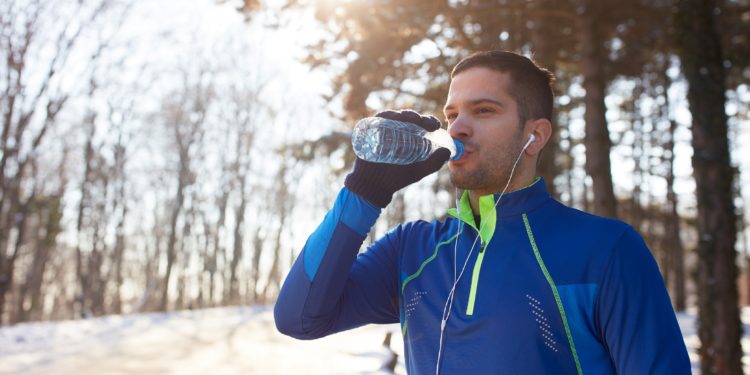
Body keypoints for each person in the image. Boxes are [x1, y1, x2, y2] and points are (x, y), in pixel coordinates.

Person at [274, 50, 691, 374]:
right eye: (452, 114)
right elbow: (299, 318)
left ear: (534, 135)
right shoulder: (412, 250)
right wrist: (363, 193)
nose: (456, 128)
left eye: (484, 111)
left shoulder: (606, 250)